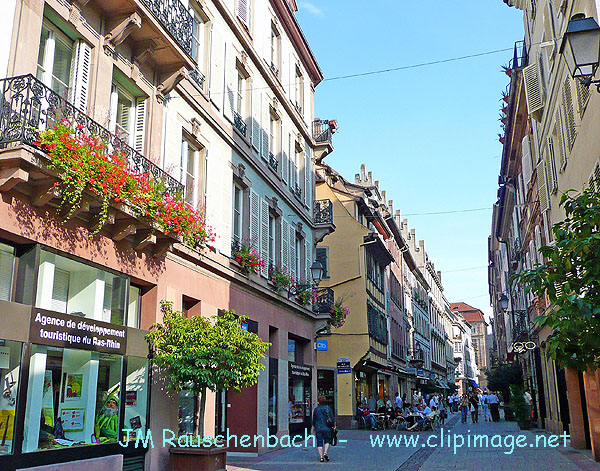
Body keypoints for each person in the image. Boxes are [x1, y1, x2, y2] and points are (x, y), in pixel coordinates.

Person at [313, 395, 335, 462]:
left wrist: (314, 426)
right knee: (327, 440)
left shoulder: (316, 409)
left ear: (318, 402)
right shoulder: (328, 408)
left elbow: (314, 419)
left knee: (319, 442)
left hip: (318, 427)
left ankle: (321, 457)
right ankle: (325, 452)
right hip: (327, 427)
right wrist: (334, 425)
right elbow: (332, 418)